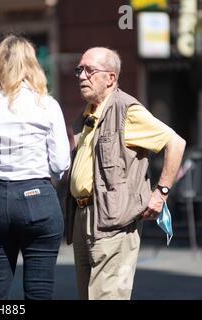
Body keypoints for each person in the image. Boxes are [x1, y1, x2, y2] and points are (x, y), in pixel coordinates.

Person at [65, 47, 186, 300]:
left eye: (89, 70)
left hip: (113, 220)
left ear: (110, 78)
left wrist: (161, 193)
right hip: (83, 216)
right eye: (80, 70)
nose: (81, 76)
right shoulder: (88, 114)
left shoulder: (126, 109)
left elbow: (175, 143)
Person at [0, 35, 70, 299]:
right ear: (32, 65)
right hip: (38, 197)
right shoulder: (47, 105)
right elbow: (61, 163)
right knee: (39, 293)